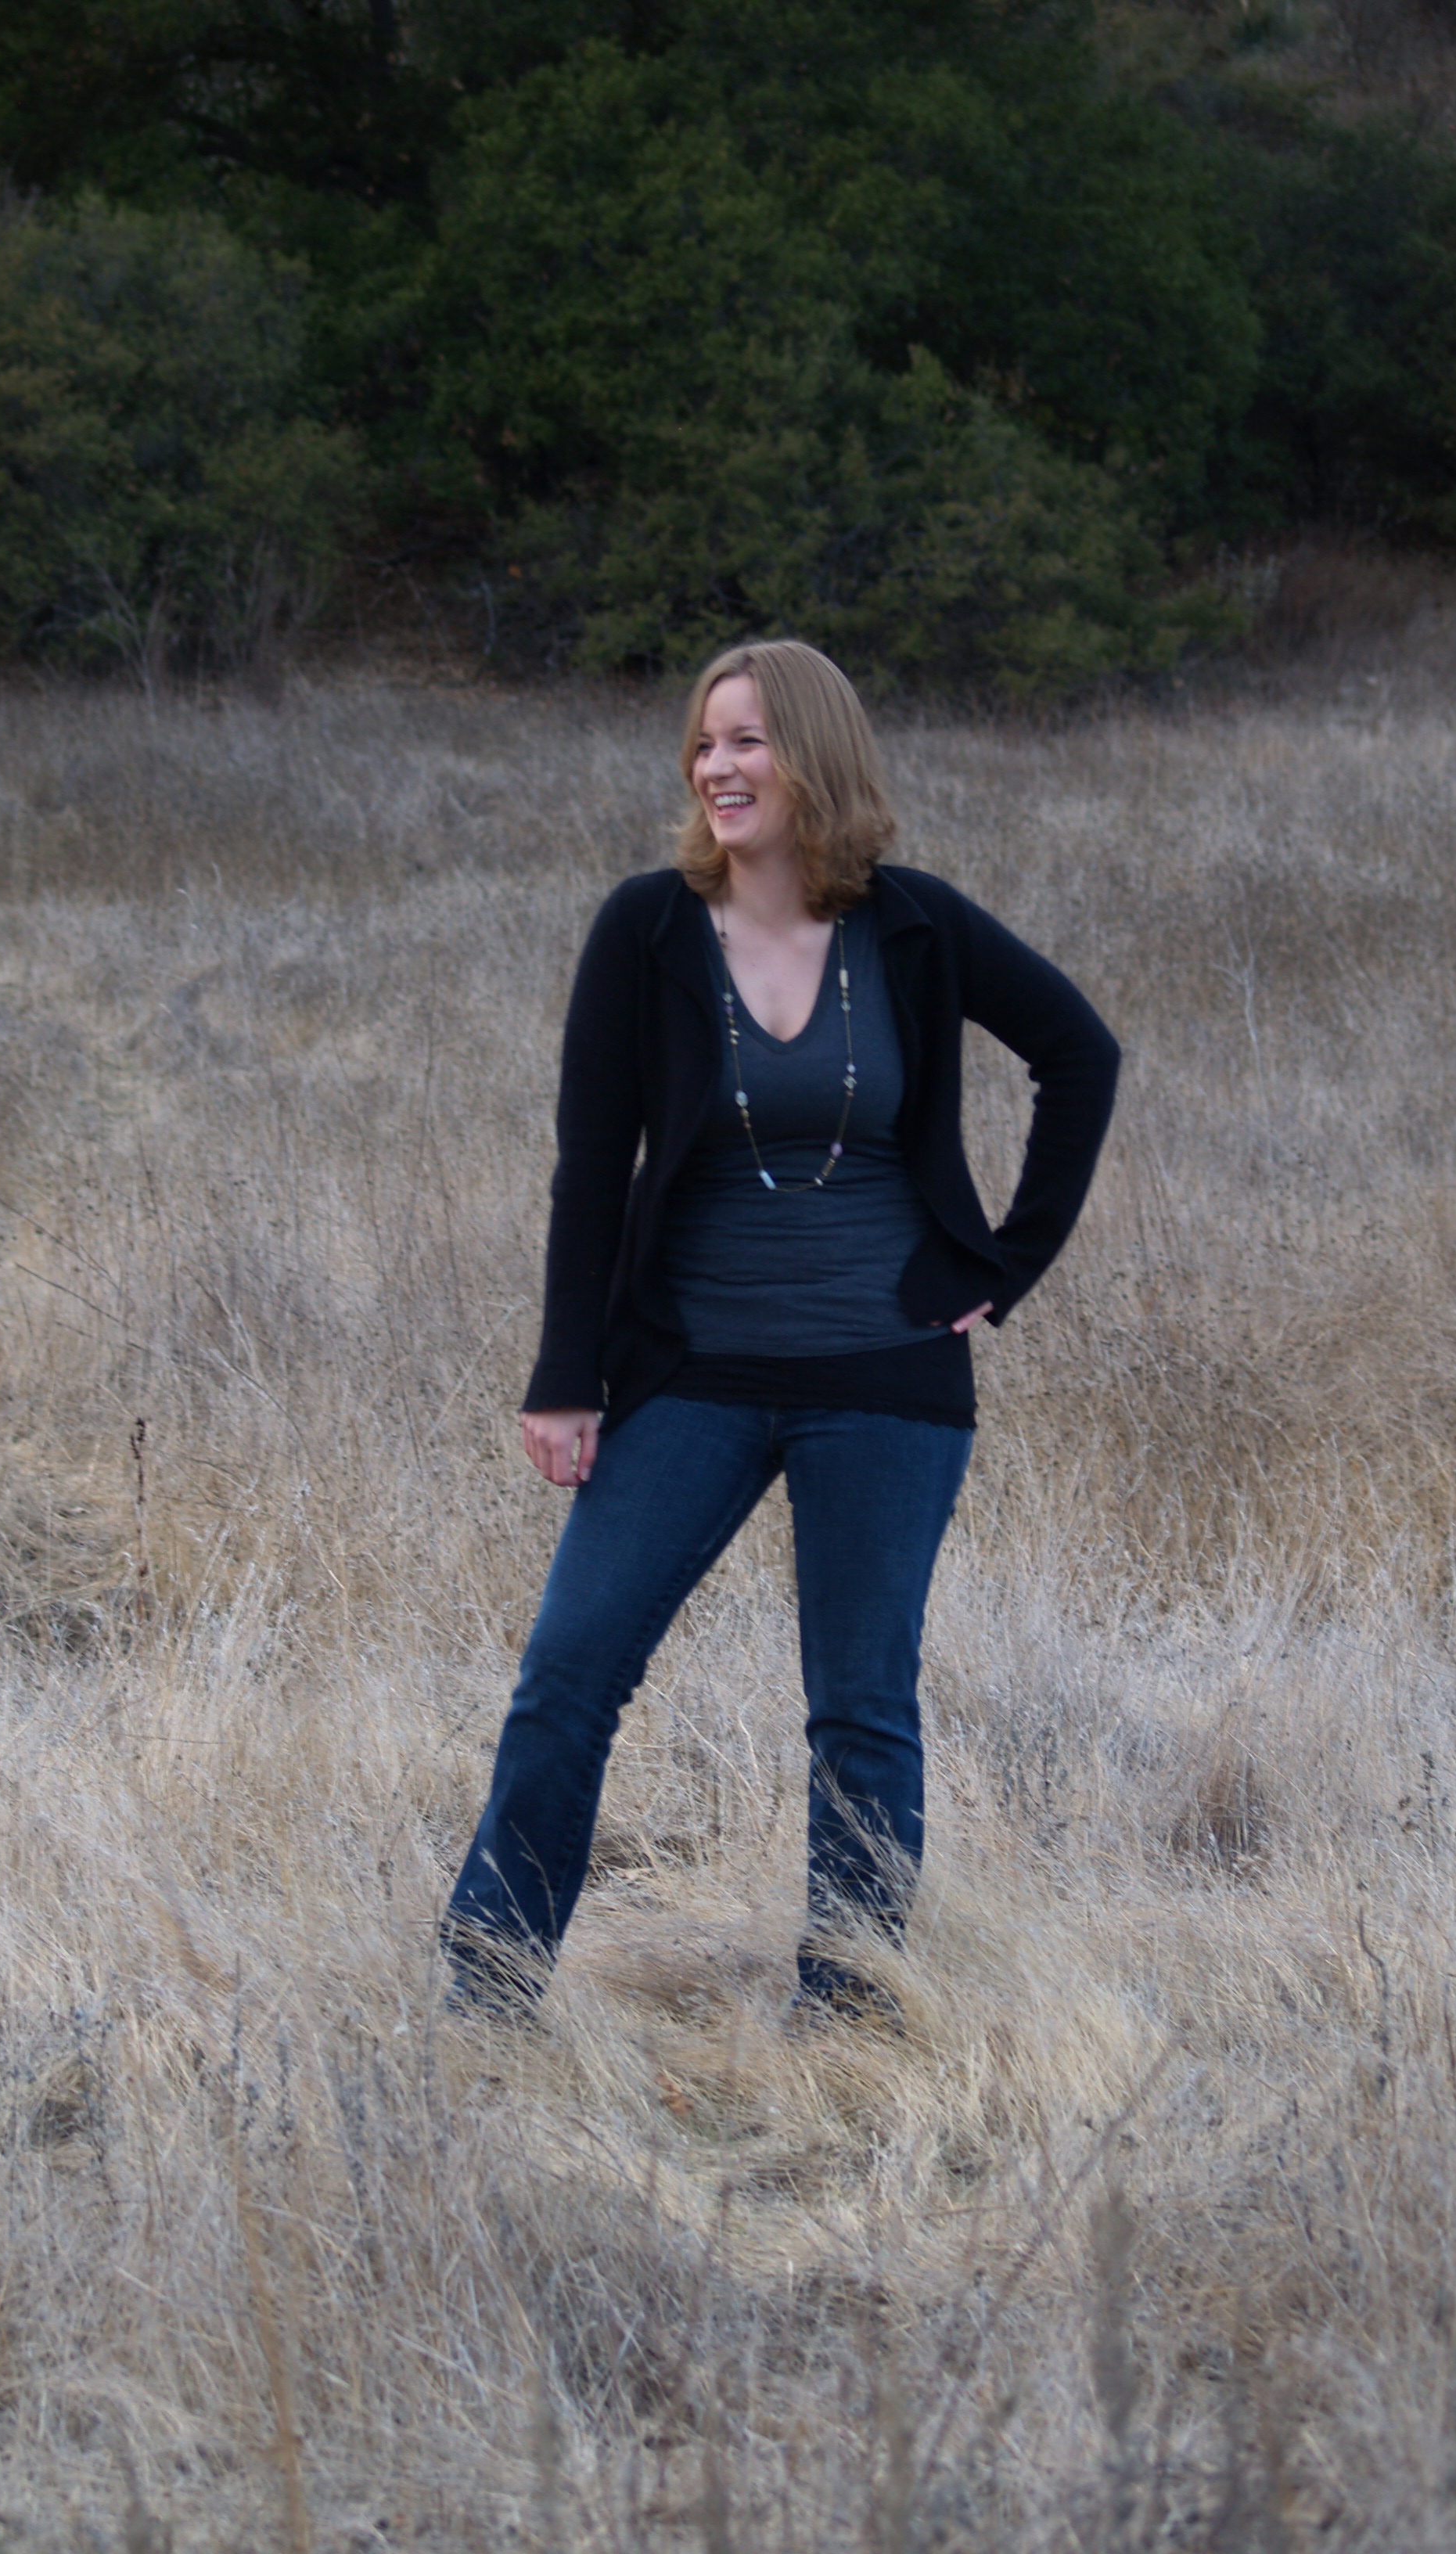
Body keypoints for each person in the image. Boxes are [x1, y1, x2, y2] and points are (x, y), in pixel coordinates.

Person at [444, 640, 1119, 2021]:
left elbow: (1080, 1053)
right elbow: (592, 1163)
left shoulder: (914, 926)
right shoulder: (646, 928)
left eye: (747, 740)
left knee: (860, 1707)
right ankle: (486, 1991)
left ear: (813, 755)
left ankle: (849, 2014)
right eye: (705, 743)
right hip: (689, 1369)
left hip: (885, 1373)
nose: (718, 767)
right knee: (569, 1672)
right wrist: (566, 1375)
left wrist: (1007, 1263)